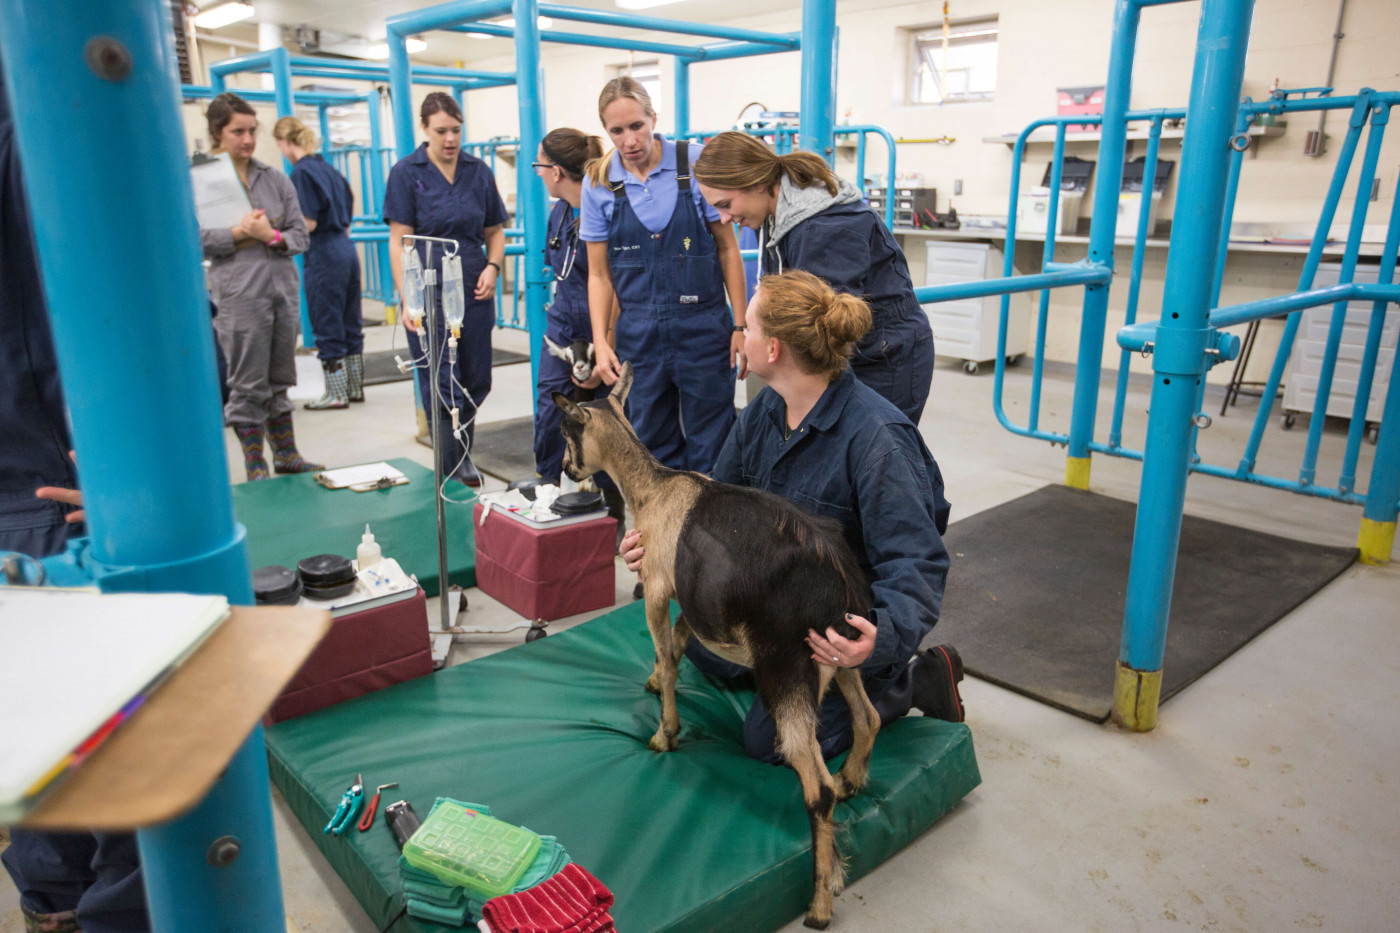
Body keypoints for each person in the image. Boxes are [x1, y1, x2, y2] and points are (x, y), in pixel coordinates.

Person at [621, 270, 964, 764]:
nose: (739, 337)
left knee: (770, 743)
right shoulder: (764, 413)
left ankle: (912, 681)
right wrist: (656, 543)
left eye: (748, 327)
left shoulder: (877, 440)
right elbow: (712, 508)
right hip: (774, 602)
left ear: (775, 349)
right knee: (702, 648)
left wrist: (877, 638)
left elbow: (919, 562)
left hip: (836, 621)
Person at [1, 61, 149, 933]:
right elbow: (130, 307)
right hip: (59, 496)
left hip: (38, 487)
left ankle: (54, 912)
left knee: (37, 768)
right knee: (127, 785)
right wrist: (135, 470)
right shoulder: (44, 130)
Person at [693, 131, 936, 425]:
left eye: (725, 204)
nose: (722, 218)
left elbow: (823, 334)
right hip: (854, 354)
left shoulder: (823, 229)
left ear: (755, 183)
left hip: (883, 358)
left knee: (873, 460)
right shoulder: (776, 214)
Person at [582, 77, 749, 474]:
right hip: (638, 337)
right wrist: (601, 341)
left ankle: (713, 532)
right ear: (606, 131)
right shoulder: (599, 182)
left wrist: (740, 325)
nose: (629, 140)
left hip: (704, 329)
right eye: (616, 131)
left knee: (714, 441)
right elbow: (599, 276)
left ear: (653, 117)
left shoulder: (694, 162)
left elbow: (728, 249)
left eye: (637, 126)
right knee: (650, 446)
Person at [384, 92, 507, 487]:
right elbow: (399, 239)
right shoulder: (406, 173)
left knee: (476, 376)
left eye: (456, 130)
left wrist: (493, 266)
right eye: (441, 131)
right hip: (426, 286)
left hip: (472, 285)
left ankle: (462, 448)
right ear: (425, 129)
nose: (450, 139)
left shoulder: (478, 171)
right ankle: (452, 462)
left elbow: (495, 232)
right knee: (440, 380)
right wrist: (408, 297)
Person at [199, 92, 319, 481]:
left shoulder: (276, 179)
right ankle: (256, 465)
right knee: (248, 382)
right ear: (218, 133)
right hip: (239, 295)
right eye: (238, 132)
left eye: (252, 131)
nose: (248, 139)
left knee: (281, 377)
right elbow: (192, 238)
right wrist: (240, 233)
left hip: (281, 291)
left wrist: (268, 235)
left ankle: (287, 454)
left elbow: (299, 237)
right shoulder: (200, 182)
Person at [272, 116, 364, 410]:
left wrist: (274, 231)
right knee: (350, 321)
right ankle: (354, 387)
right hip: (346, 248)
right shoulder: (330, 170)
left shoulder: (301, 174)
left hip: (324, 251)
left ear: (285, 143)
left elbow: (308, 222)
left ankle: (335, 394)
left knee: (327, 321)